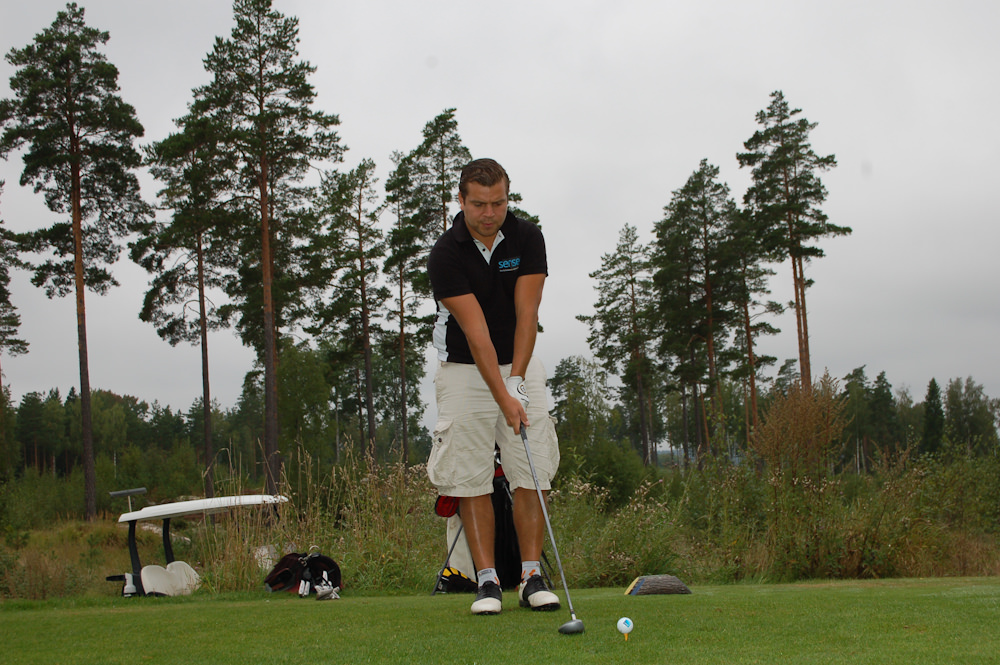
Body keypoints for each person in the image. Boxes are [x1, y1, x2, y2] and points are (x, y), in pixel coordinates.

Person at [427, 158, 561, 615]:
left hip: (518, 361)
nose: (489, 213)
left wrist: (516, 382)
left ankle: (531, 577)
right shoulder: (446, 253)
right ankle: (487, 581)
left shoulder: (527, 238)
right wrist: (503, 396)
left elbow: (527, 315)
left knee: (533, 468)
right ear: (461, 200)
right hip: (463, 368)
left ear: (508, 197)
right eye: (479, 204)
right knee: (470, 477)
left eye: (498, 203)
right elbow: (476, 333)